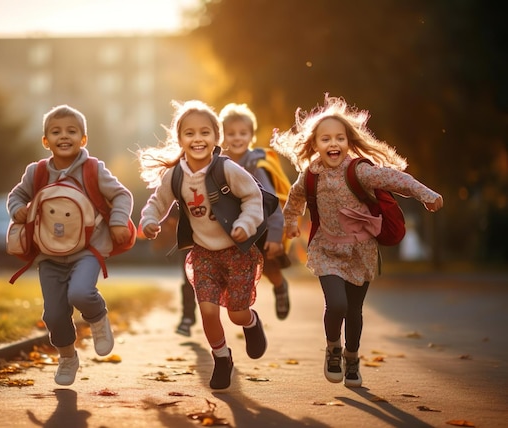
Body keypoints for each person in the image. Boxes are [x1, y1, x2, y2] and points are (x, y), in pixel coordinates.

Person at [271, 95, 444, 388]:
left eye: (340, 138)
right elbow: (296, 199)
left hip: (361, 251)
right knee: (336, 304)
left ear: (349, 142)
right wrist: (289, 224)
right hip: (326, 248)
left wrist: (426, 195)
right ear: (315, 145)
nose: (333, 143)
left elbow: (395, 180)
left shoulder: (359, 171)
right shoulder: (310, 175)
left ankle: (352, 357)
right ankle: (333, 349)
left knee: (354, 311)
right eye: (326, 139)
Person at [138, 99, 267, 390]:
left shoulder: (227, 169)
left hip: (237, 253)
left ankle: (250, 322)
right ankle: (222, 358)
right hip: (204, 254)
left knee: (235, 312)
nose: (198, 139)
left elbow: (253, 197)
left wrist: (245, 225)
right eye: (190, 133)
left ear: (216, 137)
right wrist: (149, 220)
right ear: (180, 138)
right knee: (208, 311)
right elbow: (157, 203)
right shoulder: (176, 176)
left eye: (205, 132)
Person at [7, 104, 134, 386]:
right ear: (45, 141)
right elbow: (16, 195)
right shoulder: (36, 172)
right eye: (56, 131)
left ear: (83, 139)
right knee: (53, 315)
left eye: (71, 131)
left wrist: (117, 221)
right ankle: (67, 357)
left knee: (80, 293)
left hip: (87, 250)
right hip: (48, 254)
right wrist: (17, 208)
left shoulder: (93, 169)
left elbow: (122, 195)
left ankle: (98, 320)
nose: (64, 136)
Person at [220, 102, 291, 320]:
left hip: (261, 227)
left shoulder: (255, 165)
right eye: (231, 133)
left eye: (243, 133)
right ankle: (242, 309)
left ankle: (280, 287)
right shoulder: (218, 164)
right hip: (234, 227)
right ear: (221, 136)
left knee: (270, 267)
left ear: (251, 136)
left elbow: (272, 202)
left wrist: (276, 235)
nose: (237, 138)